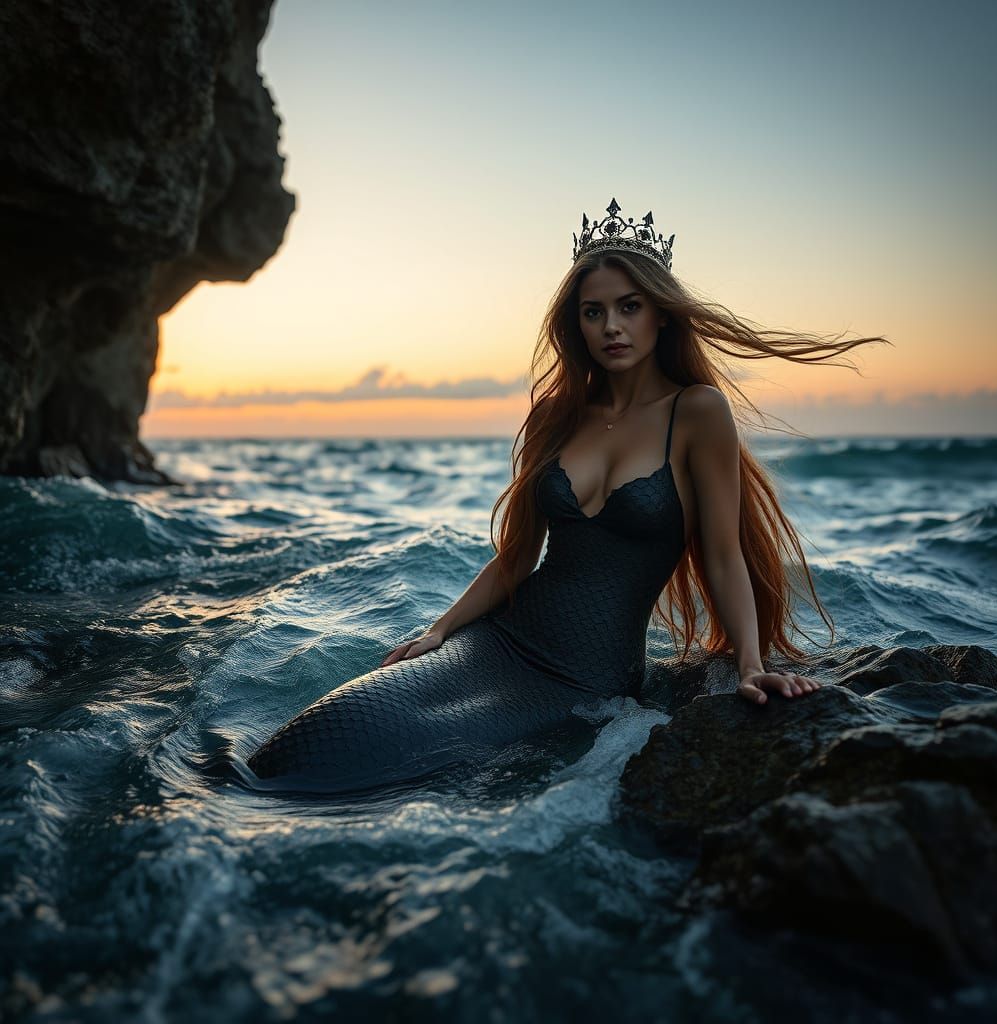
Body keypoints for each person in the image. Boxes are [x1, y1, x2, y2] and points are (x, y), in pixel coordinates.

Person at [246, 198, 888, 791]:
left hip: (587, 679)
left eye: (629, 306)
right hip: (493, 644)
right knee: (305, 743)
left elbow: (723, 555)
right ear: (574, 323)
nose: (612, 325)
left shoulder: (696, 412)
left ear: (661, 313)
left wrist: (750, 666)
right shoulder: (555, 414)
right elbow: (518, 556)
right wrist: (438, 630)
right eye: (593, 311)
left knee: (380, 778)